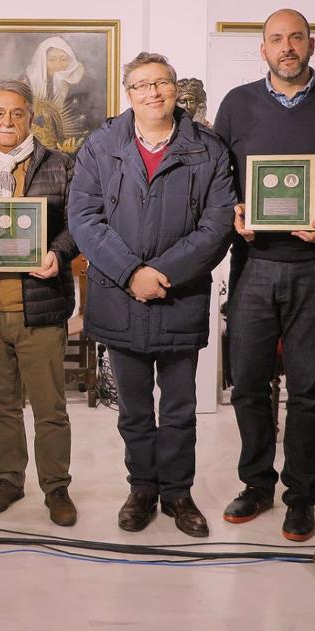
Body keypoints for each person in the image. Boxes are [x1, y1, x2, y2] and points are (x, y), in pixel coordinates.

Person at [68, 52, 235, 537]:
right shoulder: (101, 147)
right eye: (141, 85)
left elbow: (218, 222)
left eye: (161, 83)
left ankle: (178, 494)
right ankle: (142, 488)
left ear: (174, 88)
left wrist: (161, 271)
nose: (153, 93)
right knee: (135, 409)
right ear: (129, 94)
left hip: (178, 297)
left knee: (180, 408)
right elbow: (84, 218)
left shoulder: (207, 148)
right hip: (119, 297)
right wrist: (130, 272)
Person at [214, 9, 315, 542]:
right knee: (249, 384)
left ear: (311, 43)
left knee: (306, 390)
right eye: (276, 39)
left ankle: (301, 495)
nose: (286, 47)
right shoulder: (236, 103)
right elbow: (218, 179)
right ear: (262, 49)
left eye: (295, 37)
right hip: (253, 264)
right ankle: (256, 485)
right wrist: (234, 214)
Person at [0, 80, 78, 526]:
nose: (8, 121)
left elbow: (77, 223)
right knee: (1, 405)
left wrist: (58, 253)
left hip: (41, 306)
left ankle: (56, 485)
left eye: (18, 113)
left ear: (31, 118)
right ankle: (9, 478)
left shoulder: (61, 165)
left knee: (50, 407)